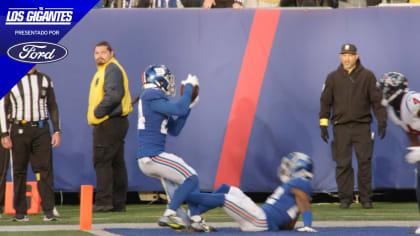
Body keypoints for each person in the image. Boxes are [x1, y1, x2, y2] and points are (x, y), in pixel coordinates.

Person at [137, 64, 216, 232]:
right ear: (158, 80)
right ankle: (170, 213)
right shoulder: (151, 94)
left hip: (151, 157)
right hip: (153, 155)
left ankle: (194, 219)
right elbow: (179, 109)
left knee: (188, 181)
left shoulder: (155, 98)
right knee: (192, 177)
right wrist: (188, 87)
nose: (169, 83)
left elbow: (174, 129)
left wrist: (190, 106)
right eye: (167, 79)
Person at [319, 43, 387, 209]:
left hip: (362, 126)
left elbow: (376, 101)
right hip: (340, 127)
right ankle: (345, 198)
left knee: (364, 162)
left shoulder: (367, 76)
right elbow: (325, 102)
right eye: (343, 55)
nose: (346, 58)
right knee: (343, 164)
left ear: (356, 56)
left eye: (350, 55)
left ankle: (365, 199)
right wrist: (323, 123)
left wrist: (382, 120)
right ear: (340, 57)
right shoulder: (333, 77)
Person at [186, 152, 316, 232]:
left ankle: (184, 196)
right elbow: (288, 225)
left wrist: (307, 225)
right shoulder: (299, 187)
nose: (285, 169)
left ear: (299, 169)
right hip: (260, 218)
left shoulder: (300, 182)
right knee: (228, 189)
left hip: (260, 220)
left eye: (289, 166)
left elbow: (303, 203)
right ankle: (193, 213)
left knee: (225, 198)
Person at [0, 65, 61, 221]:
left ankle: (49, 211)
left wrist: (57, 130)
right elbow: (3, 106)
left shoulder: (45, 79)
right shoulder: (10, 78)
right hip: (19, 128)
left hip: (41, 128)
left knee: (45, 170)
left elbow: (52, 105)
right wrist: (4, 133)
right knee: (19, 171)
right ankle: (20, 213)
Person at [87, 41, 133, 212]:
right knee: (116, 163)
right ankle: (118, 203)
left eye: (103, 52)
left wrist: (99, 112)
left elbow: (114, 94)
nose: (99, 56)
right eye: (96, 53)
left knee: (103, 162)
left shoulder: (111, 69)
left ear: (111, 53)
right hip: (116, 122)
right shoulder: (106, 70)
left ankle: (104, 202)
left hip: (108, 122)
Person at [376, 72, 420, 234]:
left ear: (395, 89)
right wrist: (415, 148)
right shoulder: (394, 112)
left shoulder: (411, 100)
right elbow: (410, 131)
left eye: (385, 88)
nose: (382, 92)